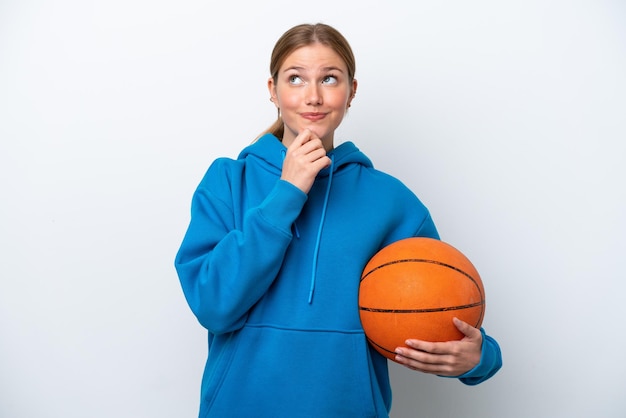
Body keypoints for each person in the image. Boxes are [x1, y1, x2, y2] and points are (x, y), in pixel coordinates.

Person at [175, 22, 502, 418]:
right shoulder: (228, 181)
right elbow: (213, 305)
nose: (313, 97)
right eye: (296, 79)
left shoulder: (390, 201)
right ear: (272, 90)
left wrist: (480, 357)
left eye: (330, 78)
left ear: (352, 92)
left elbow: (440, 308)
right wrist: (287, 194)